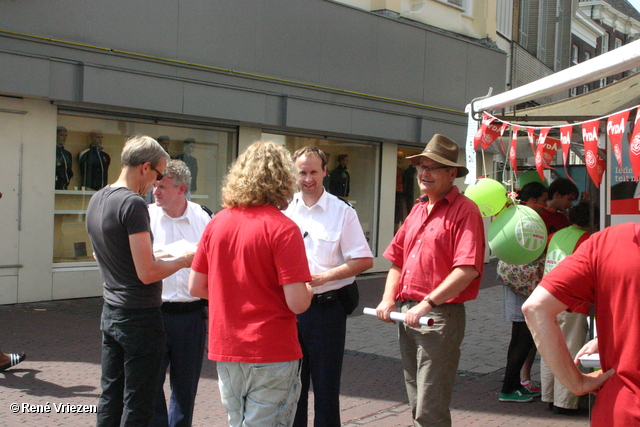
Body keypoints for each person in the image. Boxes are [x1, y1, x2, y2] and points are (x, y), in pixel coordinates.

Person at [188, 141, 314, 427]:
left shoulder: (217, 222)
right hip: (271, 348)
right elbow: (298, 302)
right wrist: (309, 288)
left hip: (228, 346)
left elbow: (195, 287)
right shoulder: (283, 228)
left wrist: (233, 292)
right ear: (283, 180)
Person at [375, 134, 485, 426]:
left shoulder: (465, 210)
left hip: (438, 317)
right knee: (417, 401)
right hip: (410, 314)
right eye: (421, 166)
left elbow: (467, 270)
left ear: (452, 173)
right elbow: (397, 261)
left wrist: (425, 304)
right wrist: (388, 299)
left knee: (429, 406)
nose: (424, 173)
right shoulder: (417, 208)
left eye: (434, 167)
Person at [86, 135, 194, 426]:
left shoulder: (98, 198)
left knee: (111, 395)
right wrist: (185, 260)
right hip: (139, 317)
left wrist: (153, 256)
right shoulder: (133, 204)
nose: (155, 184)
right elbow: (147, 273)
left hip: (111, 310)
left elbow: (103, 255)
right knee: (139, 402)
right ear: (145, 167)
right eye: (158, 174)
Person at [284, 146, 373, 427]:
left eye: (313, 172)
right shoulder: (283, 209)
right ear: (294, 174)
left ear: (325, 172)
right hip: (289, 313)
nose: (308, 178)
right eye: (302, 172)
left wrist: (325, 277)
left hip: (326, 310)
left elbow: (363, 260)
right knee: (291, 389)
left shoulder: (342, 212)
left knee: (326, 390)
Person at [520, 221, 640, 425]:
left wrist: (576, 383)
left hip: (622, 408)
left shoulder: (606, 242)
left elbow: (536, 308)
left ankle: (555, 398)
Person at [148, 160, 211, 427]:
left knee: (186, 388)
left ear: (181, 188)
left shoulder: (204, 218)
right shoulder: (144, 216)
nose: (156, 191)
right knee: (150, 385)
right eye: (154, 185)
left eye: (162, 186)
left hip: (191, 315)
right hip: (154, 314)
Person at [539, 202, 596, 414]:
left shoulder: (558, 235)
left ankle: (549, 395)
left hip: (548, 298)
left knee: (549, 349)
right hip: (574, 302)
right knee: (571, 350)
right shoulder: (588, 239)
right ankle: (565, 402)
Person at [497, 182, 549, 403]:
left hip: (513, 284)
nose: (546, 206)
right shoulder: (529, 220)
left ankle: (513, 384)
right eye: (544, 201)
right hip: (527, 286)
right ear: (534, 200)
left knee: (518, 337)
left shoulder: (512, 214)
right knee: (524, 339)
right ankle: (509, 387)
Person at [55, 126, 73, 190]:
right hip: (54, 186)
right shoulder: (52, 152)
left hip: (64, 186)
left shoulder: (67, 154)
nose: (64, 138)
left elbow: (69, 171)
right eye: (61, 135)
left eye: (66, 135)